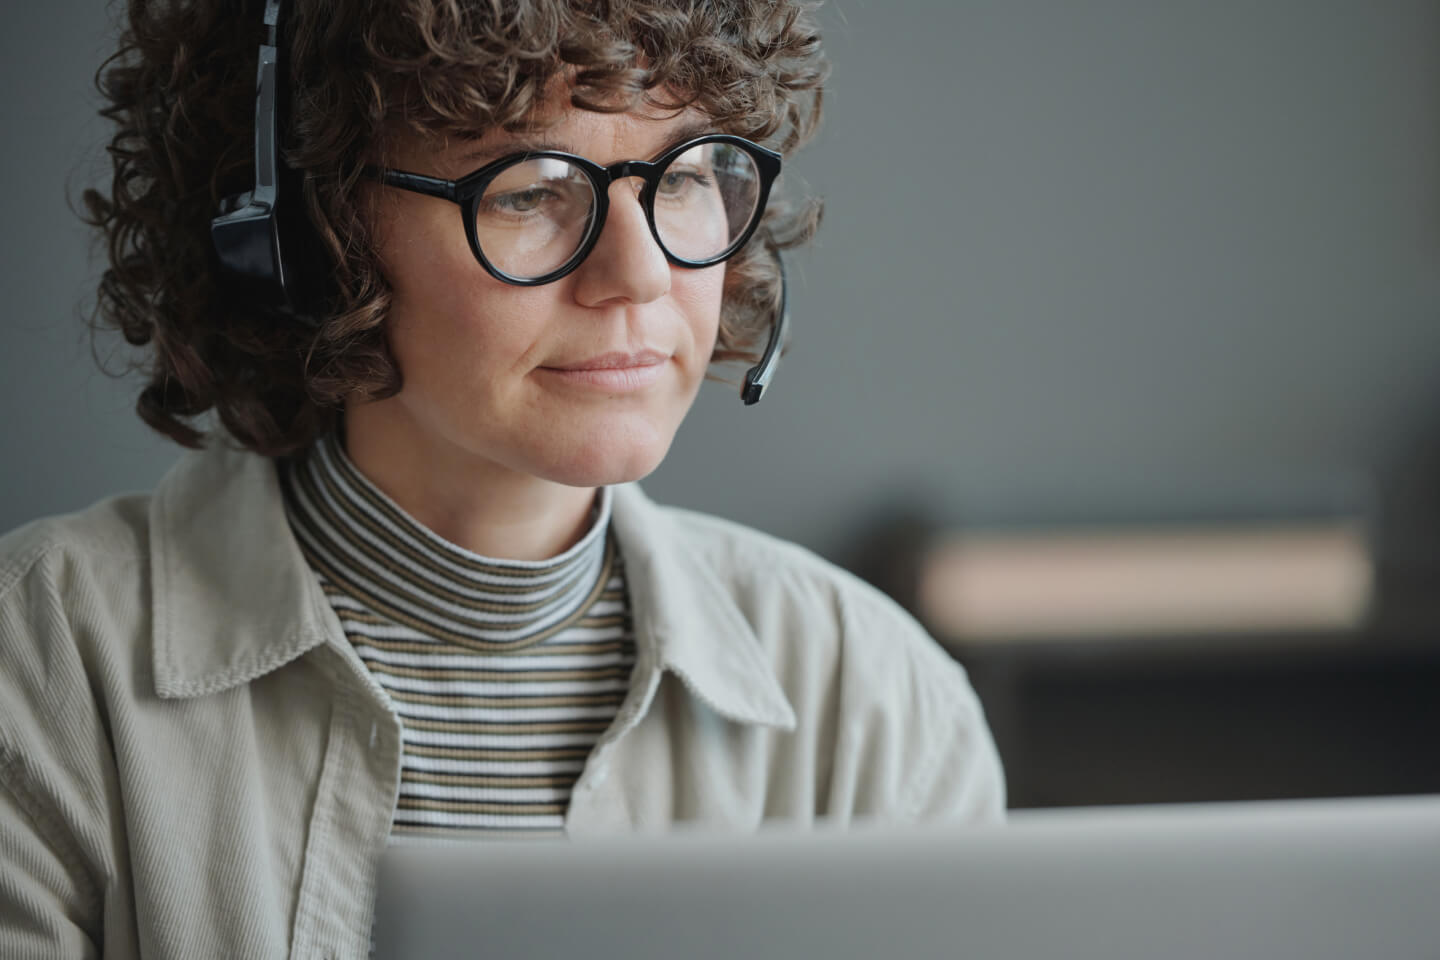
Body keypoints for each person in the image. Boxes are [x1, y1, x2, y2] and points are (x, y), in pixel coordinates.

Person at [0, 0, 1005, 955]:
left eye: (686, 176)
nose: (640, 275)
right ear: (305, 238)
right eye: (530, 189)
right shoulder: (41, 672)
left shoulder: (879, 709)